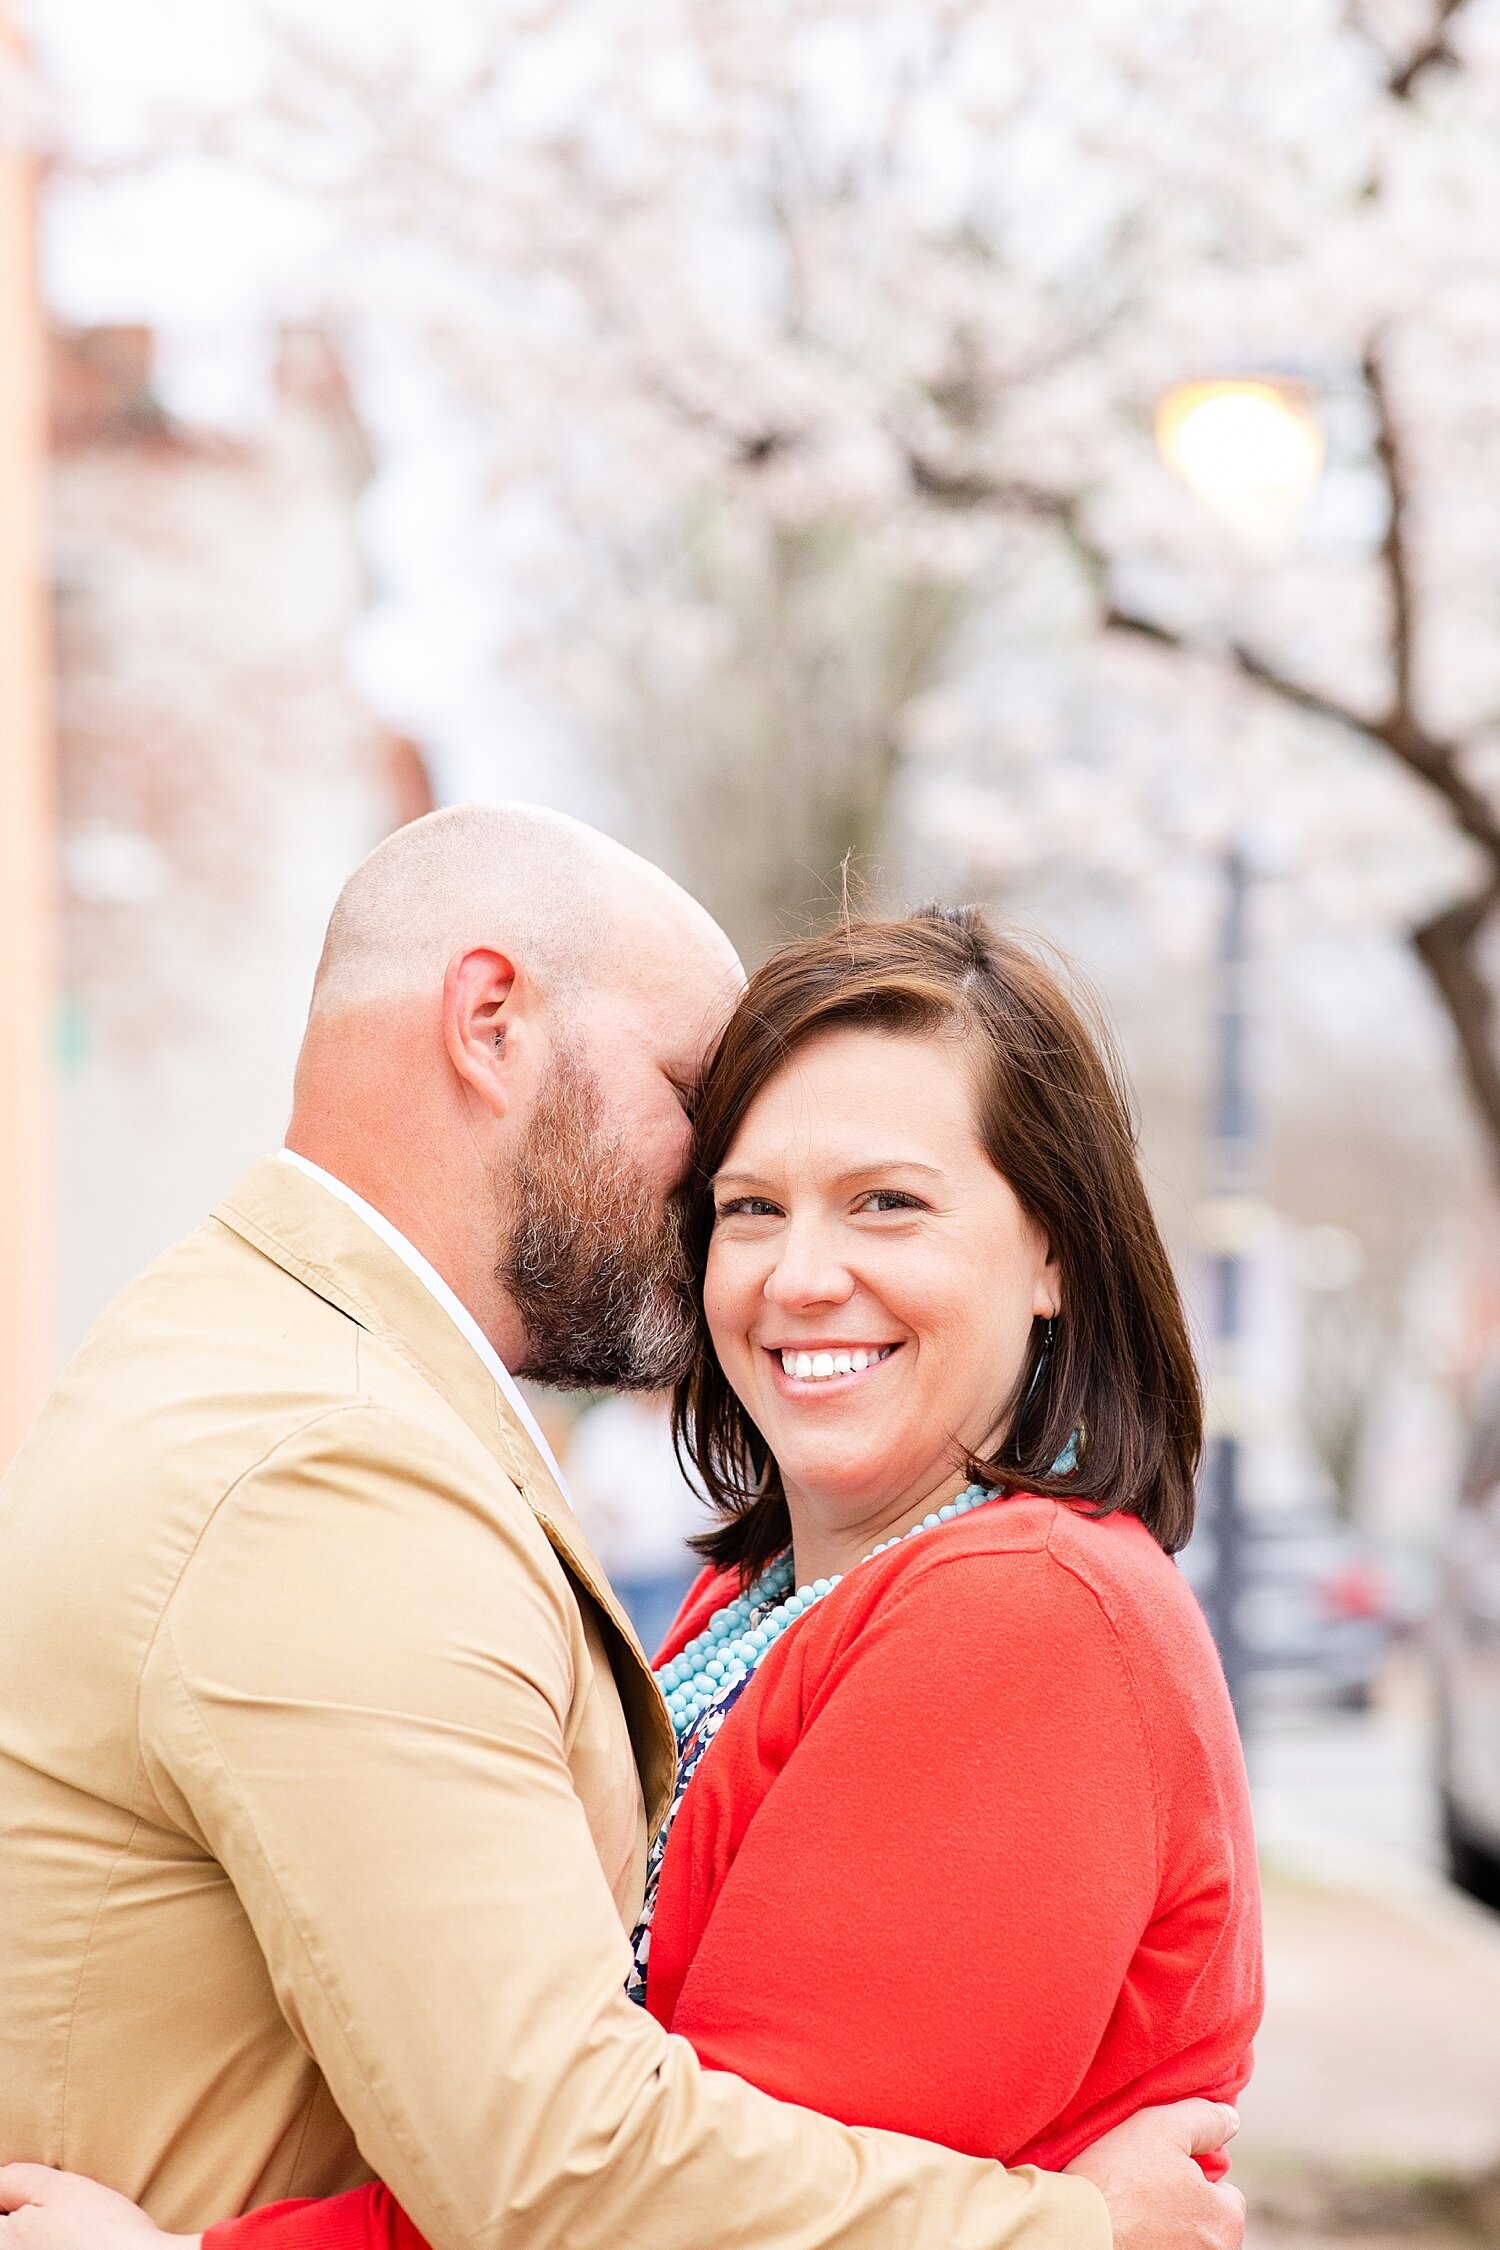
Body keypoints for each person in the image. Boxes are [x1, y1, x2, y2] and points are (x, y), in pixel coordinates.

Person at [0, 811, 1244, 2250]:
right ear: (489, 1022)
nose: (792, 1270)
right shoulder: (690, 1578)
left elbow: (597, 2180)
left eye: (888, 1203)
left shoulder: (1027, 1608)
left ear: (1054, 1250)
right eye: (743, 1196)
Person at [566, 1390, 707, 1651]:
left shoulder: (692, 1428)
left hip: (677, 1579)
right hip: (616, 1579)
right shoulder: (603, 1427)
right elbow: (578, 1502)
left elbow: (711, 1510)